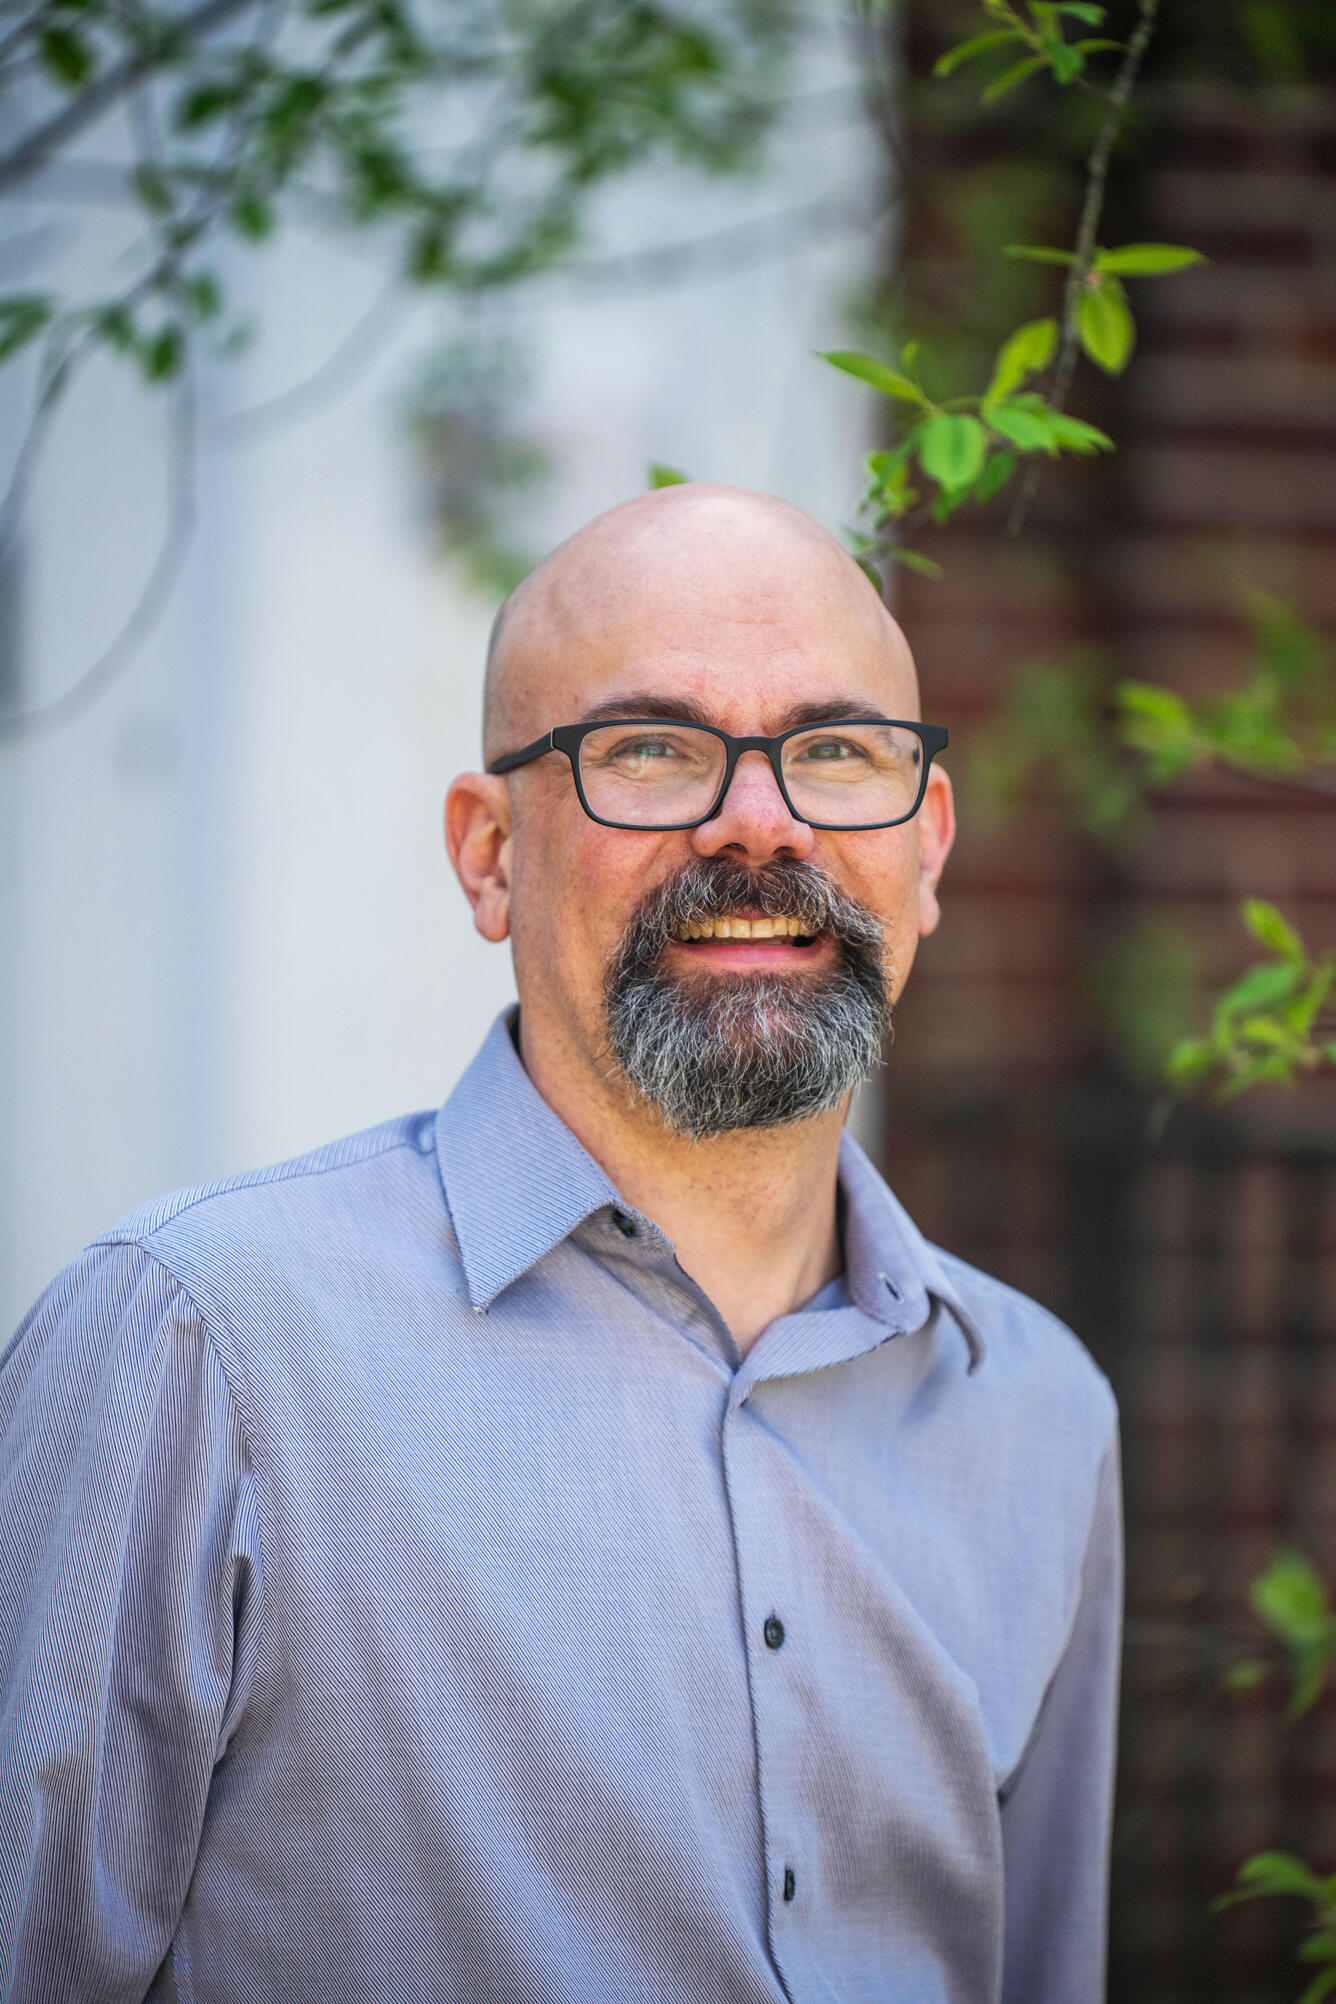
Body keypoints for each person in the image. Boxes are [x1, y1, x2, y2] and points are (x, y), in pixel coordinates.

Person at [0, 485, 1121, 2004]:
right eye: (652, 750)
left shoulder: (1038, 1413)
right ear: (489, 854)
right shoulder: (200, 1345)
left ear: (924, 846)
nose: (760, 823)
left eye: (835, 751)